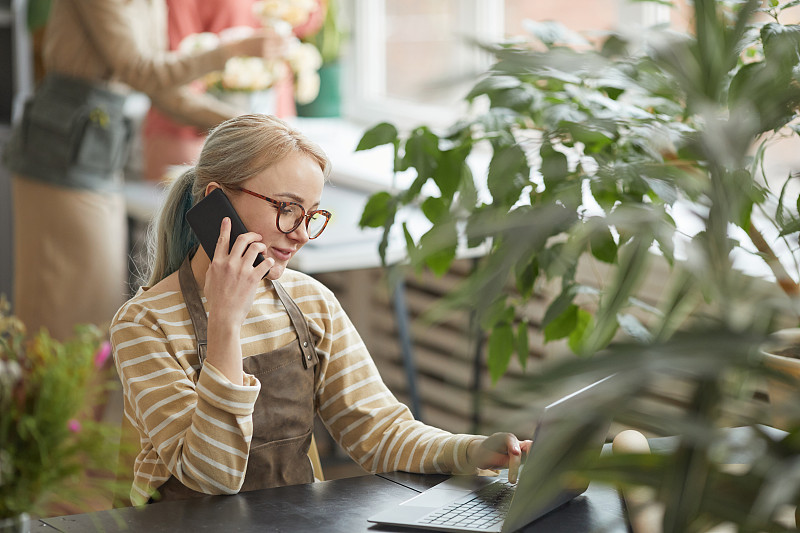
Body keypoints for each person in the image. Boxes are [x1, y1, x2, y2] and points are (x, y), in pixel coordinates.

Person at [110, 114, 532, 506]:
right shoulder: (143, 324)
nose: (300, 235)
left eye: (310, 215)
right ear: (217, 201)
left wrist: (471, 449)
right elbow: (212, 476)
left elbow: (379, 432)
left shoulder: (310, 301)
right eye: (287, 208)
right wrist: (226, 320)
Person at [2, 0, 286, 341]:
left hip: (96, 155)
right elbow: (139, 69)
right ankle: (57, 394)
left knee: (94, 302)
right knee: (63, 304)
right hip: (60, 156)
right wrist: (233, 50)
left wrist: (250, 126)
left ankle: (73, 392)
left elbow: (162, 91)